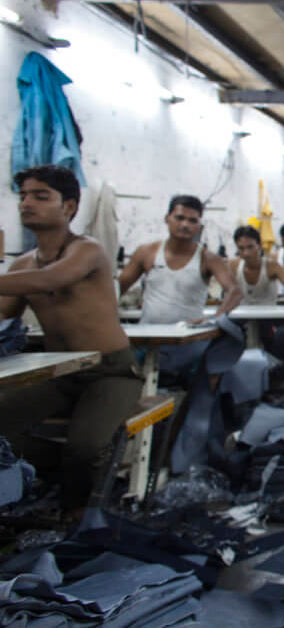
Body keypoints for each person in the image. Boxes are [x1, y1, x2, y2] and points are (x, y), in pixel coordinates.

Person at [0, 165, 144, 509]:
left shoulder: (87, 250)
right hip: (59, 374)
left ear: (69, 207)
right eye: (22, 197)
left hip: (110, 372)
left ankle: (76, 516)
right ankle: (52, 473)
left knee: (86, 447)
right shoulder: (21, 267)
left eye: (40, 196)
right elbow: (5, 318)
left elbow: (50, 280)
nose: (26, 204)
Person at [118, 194, 242, 324]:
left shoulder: (209, 259)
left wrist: (215, 318)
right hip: (150, 336)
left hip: (190, 338)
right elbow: (117, 289)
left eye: (192, 220)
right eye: (179, 218)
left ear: (199, 225)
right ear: (167, 219)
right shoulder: (146, 253)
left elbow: (235, 292)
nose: (185, 224)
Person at [230, 226, 284, 308]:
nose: (246, 253)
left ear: (259, 246)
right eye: (241, 248)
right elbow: (228, 292)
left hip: (268, 317)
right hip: (240, 316)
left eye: (250, 247)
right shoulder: (234, 265)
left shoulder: (272, 267)